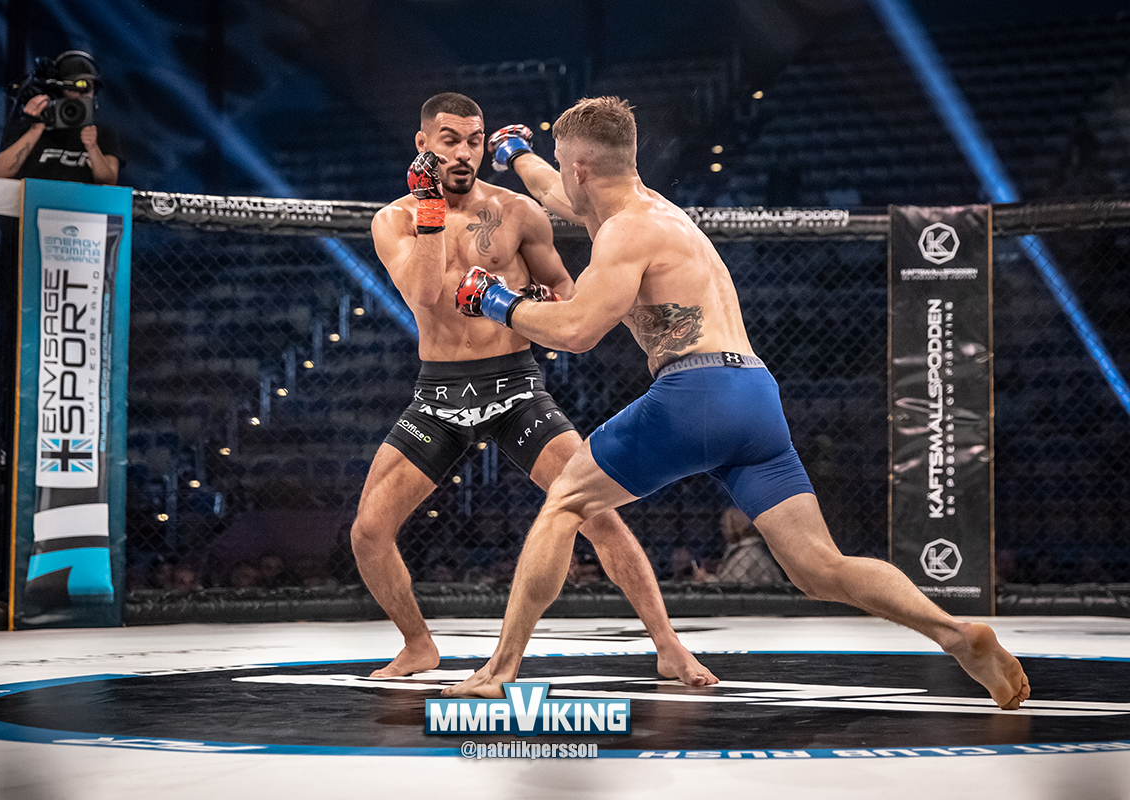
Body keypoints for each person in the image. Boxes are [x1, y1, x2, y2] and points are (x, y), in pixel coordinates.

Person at [443, 96, 1030, 711]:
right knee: (819, 567)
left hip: (694, 394)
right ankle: (954, 632)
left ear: (582, 168)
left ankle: (499, 669)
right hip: (753, 396)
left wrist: (496, 301)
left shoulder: (624, 232)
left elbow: (577, 331)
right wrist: (518, 155)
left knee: (565, 502)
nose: (558, 179)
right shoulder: (652, 210)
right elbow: (555, 191)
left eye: (562, 164)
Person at [355, 92, 715, 684]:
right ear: (423, 144)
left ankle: (669, 646)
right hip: (439, 393)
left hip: (514, 385)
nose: (465, 152)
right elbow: (423, 293)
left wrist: (536, 301)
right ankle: (418, 645)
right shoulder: (394, 220)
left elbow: (568, 293)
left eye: (475, 141)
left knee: (597, 514)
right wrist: (429, 209)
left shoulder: (519, 212)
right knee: (369, 532)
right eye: (450, 140)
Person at [0, 50, 121, 185]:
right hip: (35, 197)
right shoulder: (30, 124)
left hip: (81, 199)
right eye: (72, 88)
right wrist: (36, 129)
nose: (80, 95)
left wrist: (93, 148)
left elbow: (110, 181)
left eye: (87, 89)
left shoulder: (103, 133)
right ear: (58, 91)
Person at [696, 507, 785, 585]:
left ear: (733, 526)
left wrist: (706, 579)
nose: (722, 531)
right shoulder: (748, 550)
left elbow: (733, 587)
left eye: (724, 525)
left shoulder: (746, 554)